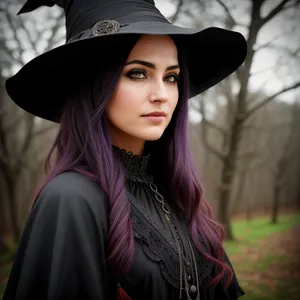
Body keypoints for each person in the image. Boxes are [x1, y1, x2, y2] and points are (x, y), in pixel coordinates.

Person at [3, 0, 247, 299]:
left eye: (171, 77)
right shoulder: (70, 198)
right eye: (137, 73)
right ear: (93, 84)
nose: (162, 95)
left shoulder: (176, 193)